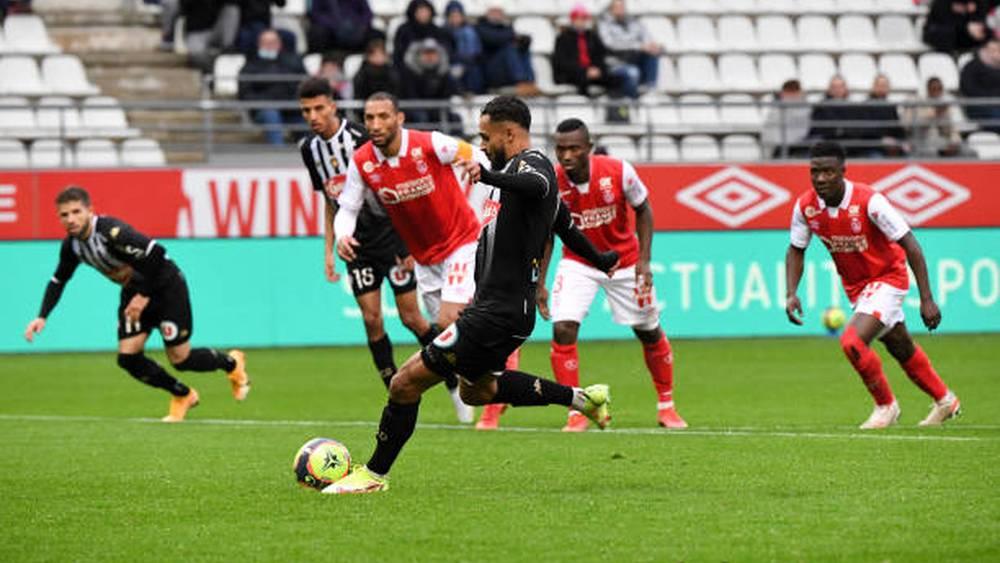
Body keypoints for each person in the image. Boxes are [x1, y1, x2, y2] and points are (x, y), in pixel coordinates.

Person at [323, 95, 619, 494]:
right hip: (505, 313)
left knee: (404, 383)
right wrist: (601, 259)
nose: (481, 145)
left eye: (485, 136)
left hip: (494, 313)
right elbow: (566, 227)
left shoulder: (531, 166)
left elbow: (538, 183)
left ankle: (373, 475)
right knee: (478, 390)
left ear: (508, 133)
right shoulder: (518, 180)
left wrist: (490, 176)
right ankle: (583, 399)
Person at [296, 78, 471, 420]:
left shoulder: (364, 138)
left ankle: (453, 382)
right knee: (371, 320)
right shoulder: (309, 150)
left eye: (318, 108)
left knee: (411, 318)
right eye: (306, 111)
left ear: (333, 105)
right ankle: (397, 397)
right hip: (356, 246)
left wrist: (409, 244)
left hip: (391, 238)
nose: (313, 116)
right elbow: (332, 201)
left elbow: (400, 191)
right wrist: (329, 248)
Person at [24, 186, 250, 423]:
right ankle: (183, 394)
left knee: (181, 359)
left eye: (76, 212)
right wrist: (42, 316)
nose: (71, 219)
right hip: (134, 293)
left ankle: (232, 363)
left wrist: (142, 296)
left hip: (166, 287)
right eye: (64, 215)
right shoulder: (72, 246)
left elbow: (157, 255)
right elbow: (59, 279)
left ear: (90, 211)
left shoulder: (112, 232)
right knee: (128, 357)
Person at [784, 141, 961, 430]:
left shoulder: (869, 201)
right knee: (900, 345)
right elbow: (796, 249)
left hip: (888, 278)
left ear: (843, 171)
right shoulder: (806, 207)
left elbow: (911, 245)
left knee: (852, 342)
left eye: (828, 172)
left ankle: (886, 406)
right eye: (814, 172)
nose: (820, 178)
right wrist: (791, 292)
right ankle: (945, 400)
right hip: (857, 288)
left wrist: (926, 299)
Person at [535, 118, 685, 431]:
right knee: (563, 328)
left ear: (589, 147)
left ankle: (667, 407)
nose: (566, 155)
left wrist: (644, 261)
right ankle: (576, 412)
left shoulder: (619, 171)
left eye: (574, 148)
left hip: (624, 262)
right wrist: (541, 283)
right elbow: (546, 234)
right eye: (561, 149)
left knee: (648, 330)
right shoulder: (552, 182)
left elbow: (643, 208)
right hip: (579, 263)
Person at [238, 29, 306, 145]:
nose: (270, 45)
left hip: (291, 109)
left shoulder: (293, 62)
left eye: (273, 42)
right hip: (264, 110)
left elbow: (305, 85)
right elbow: (244, 95)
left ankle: (310, 151)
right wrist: (269, 102)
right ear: (259, 44)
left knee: (309, 116)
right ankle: (278, 152)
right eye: (266, 42)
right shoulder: (249, 66)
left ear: (280, 44)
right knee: (271, 114)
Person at [553, 4, 628, 98]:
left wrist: (597, 69)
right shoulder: (563, 38)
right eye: (577, 18)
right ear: (572, 20)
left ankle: (615, 105)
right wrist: (584, 71)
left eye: (583, 18)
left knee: (617, 79)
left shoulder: (592, 36)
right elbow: (562, 62)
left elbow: (600, 55)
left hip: (592, 72)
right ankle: (585, 104)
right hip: (572, 74)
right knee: (582, 80)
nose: (580, 21)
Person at [597, 0, 662, 94]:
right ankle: (630, 99)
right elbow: (610, 44)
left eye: (622, 6)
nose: (620, 9)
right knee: (632, 72)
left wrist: (651, 45)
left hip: (634, 59)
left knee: (652, 53)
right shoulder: (603, 23)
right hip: (615, 62)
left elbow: (645, 35)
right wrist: (638, 46)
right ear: (610, 9)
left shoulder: (633, 21)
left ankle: (650, 88)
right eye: (617, 7)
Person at [400, 38, 462, 134]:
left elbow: (448, 94)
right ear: (419, 55)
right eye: (426, 53)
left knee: (455, 119)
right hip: (415, 111)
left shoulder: (444, 74)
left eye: (433, 53)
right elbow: (410, 97)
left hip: (438, 110)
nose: (430, 57)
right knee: (421, 118)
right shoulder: (409, 74)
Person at [475, 5, 539, 95]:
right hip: (490, 71)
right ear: (487, 13)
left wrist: (524, 42)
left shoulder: (506, 28)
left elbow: (505, 37)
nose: (496, 15)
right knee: (509, 48)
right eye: (494, 12)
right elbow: (494, 39)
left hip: (506, 70)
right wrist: (514, 36)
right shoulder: (480, 27)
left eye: (499, 12)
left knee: (523, 50)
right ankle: (521, 81)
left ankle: (529, 82)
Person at [902, 76, 967, 157]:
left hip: (943, 141)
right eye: (934, 88)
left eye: (939, 88)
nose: (937, 91)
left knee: (968, 152)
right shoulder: (916, 103)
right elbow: (908, 126)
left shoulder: (945, 106)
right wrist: (934, 113)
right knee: (931, 152)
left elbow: (952, 131)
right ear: (928, 89)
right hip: (923, 141)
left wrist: (955, 143)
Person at [392, 0, 453, 72]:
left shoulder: (438, 31)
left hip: (435, 72)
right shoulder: (404, 31)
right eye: (420, 11)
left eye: (425, 11)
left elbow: (446, 53)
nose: (423, 14)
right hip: (408, 72)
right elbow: (398, 54)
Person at [307, 0, 384, 56]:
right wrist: (333, 25)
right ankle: (325, 61)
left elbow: (367, 13)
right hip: (331, 31)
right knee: (317, 33)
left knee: (377, 35)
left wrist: (359, 25)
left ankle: (373, 62)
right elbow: (315, 14)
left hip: (356, 30)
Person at [761, 79, 812, 159]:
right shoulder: (776, 109)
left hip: (799, 146)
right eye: (790, 91)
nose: (792, 95)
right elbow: (770, 133)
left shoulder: (806, 108)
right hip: (779, 147)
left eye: (794, 91)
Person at [959, 38, 1000, 133]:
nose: (995, 53)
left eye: (998, 49)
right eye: (992, 50)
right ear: (984, 50)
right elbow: (969, 89)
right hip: (980, 105)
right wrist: (992, 96)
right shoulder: (971, 67)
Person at [444, 0, 484, 94]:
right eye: (452, 16)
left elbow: (477, 51)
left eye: (458, 16)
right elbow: (447, 52)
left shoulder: (470, 31)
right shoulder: (443, 32)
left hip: (470, 63)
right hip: (453, 63)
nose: (455, 19)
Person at [922, 0, 990, 52]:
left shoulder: (980, 5)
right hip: (942, 50)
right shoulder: (942, 4)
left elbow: (985, 35)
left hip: (973, 51)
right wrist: (965, 29)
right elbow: (929, 35)